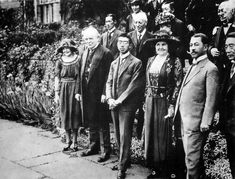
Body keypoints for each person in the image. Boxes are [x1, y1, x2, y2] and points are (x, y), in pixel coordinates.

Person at [174, 33, 219, 179]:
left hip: (196, 123)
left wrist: (206, 121)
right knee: (190, 158)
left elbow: (211, 98)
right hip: (185, 120)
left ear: (205, 47)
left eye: (196, 45)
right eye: (191, 45)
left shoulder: (210, 68)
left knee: (192, 161)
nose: (192, 48)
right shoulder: (193, 65)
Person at [144, 30, 183, 178]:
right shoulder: (150, 60)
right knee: (151, 133)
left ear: (168, 46)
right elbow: (147, 83)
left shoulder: (174, 61)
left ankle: (166, 170)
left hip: (165, 101)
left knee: (164, 135)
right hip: (150, 100)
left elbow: (178, 84)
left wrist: (172, 104)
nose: (160, 47)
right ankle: (154, 168)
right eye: (158, 44)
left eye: (163, 44)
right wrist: (145, 101)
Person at [106, 33, 145, 179]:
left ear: (130, 45)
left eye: (125, 42)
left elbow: (134, 85)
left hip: (126, 105)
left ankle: (122, 168)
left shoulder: (136, 62)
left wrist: (119, 100)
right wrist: (110, 98)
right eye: (120, 42)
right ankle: (124, 160)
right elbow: (109, 81)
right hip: (113, 104)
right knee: (117, 133)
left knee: (125, 135)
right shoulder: (114, 62)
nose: (122, 45)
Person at [76, 26, 113, 163]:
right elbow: (81, 74)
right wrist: (79, 91)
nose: (88, 41)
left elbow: (110, 76)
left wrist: (105, 93)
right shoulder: (84, 52)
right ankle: (93, 146)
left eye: (90, 38)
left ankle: (106, 150)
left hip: (100, 95)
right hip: (87, 93)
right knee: (91, 121)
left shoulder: (105, 53)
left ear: (98, 38)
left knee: (103, 122)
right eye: (85, 39)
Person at [128, 11, 154, 139]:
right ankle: (129, 134)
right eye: (136, 22)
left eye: (140, 22)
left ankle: (140, 136)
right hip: (131, 77)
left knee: (142, 107)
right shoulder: (129, 36)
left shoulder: (151, 38)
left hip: (144, 77)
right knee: (130, 106)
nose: (137, 25)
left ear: (146, 23)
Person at [54, 39, 81, 152]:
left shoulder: (77, 60)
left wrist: (78, 92)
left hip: (74, 88)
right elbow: (57, 77)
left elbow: (79, 77)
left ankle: (75, 142)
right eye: (64, 49)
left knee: (74, 114)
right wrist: (56, 93)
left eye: (68, 48)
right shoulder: (59, 61)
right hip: (64, 89)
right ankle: (68, 141)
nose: (66, 50)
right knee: (65, 114)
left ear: (72, 49)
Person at [220, 32, 235, 179]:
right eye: (226, 47)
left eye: (232, 46)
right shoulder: (229, 67)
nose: (228, 50)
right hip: (229, 128)